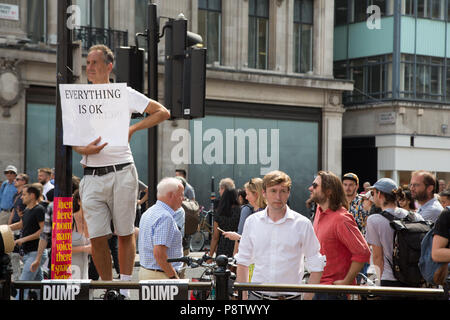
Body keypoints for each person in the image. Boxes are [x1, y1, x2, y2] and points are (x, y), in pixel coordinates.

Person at [74, 45, 170, 294]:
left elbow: (163, 112)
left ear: (109, 66)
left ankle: (125, 289)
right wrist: (85, 150)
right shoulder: (80, 98)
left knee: (125, 233)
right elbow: (73, 141)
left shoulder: (124, 94)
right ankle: (109, 289)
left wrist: (132, 129)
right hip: (91, 174)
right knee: (96, 237)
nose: (90, 67)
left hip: (122, 171)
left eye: (95, 62)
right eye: (88, 62)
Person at [235, 170, 325, 300]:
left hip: (291, 297)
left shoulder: (302, 224)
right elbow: (243, 262)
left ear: (288, 193)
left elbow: (316, 264)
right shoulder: (252, 222)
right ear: (264, 193)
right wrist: (243, 298)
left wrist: (306, 298)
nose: (278, 196)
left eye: (282, 191)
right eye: (273, 191)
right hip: (257, 297)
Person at [310, 171, 371, 300]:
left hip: (333, 292)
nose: (311, 188)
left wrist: (345, 282)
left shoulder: (341, 219)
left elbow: (363, 252)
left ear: (328, 191)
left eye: (315, 186)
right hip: (319, 287)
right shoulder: (319, 211)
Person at [365, 178, 424, 297]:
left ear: (380, 194)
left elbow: (377, 258)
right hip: (414, 280)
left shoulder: (374, 220)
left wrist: (373, 286)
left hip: (388, 280)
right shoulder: (416, 217)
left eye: (373, 193)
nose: (372, 196)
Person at [138, 177, 184, 280]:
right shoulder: (165, 217)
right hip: (161, 276)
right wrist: (173, 277)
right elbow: (159, 253)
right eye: (181, 194)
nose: (183, 198)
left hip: (148, 272)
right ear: (171, 195)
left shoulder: (149, 212)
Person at [9, 184, 47, 300]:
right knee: (39, 289)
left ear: (32, 195)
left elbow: (43, 231)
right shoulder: (27, 210)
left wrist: (23, 239)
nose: (21, 197)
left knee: (22, 286)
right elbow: (21, 224)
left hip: (35, 253)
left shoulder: (39, 210)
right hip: (27, 254)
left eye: (24, 195)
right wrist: (5, 228)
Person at [222, 178, 267, 255]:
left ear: (256, 194)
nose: (246, 197)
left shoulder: (263, 214)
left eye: (248, 194)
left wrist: (238, 237)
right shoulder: (256, 211)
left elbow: (261, 242)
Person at [209, 188, 241, 259]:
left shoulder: (219, 213)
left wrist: (210, 255)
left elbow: (215, 237)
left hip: (222, 246)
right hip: (236, 244)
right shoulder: (240, 211)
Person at [8, 173, 28, 281]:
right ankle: (16, 278)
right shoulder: (16, 195)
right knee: (14, 253)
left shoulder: (26, 197)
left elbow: (24, 217)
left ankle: (23, 279)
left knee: (21, 254)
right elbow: (13, 211)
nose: (15, 180)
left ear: (24, 181)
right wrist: (8, 226)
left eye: (18, 179)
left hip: (21, 228)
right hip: (14, 227)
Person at [71, 190, 91, 279]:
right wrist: (84, 248)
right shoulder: (69, 220)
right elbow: (59, 248)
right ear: (79, 201)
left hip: (86, 270)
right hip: (70, 270)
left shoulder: (93, 221)